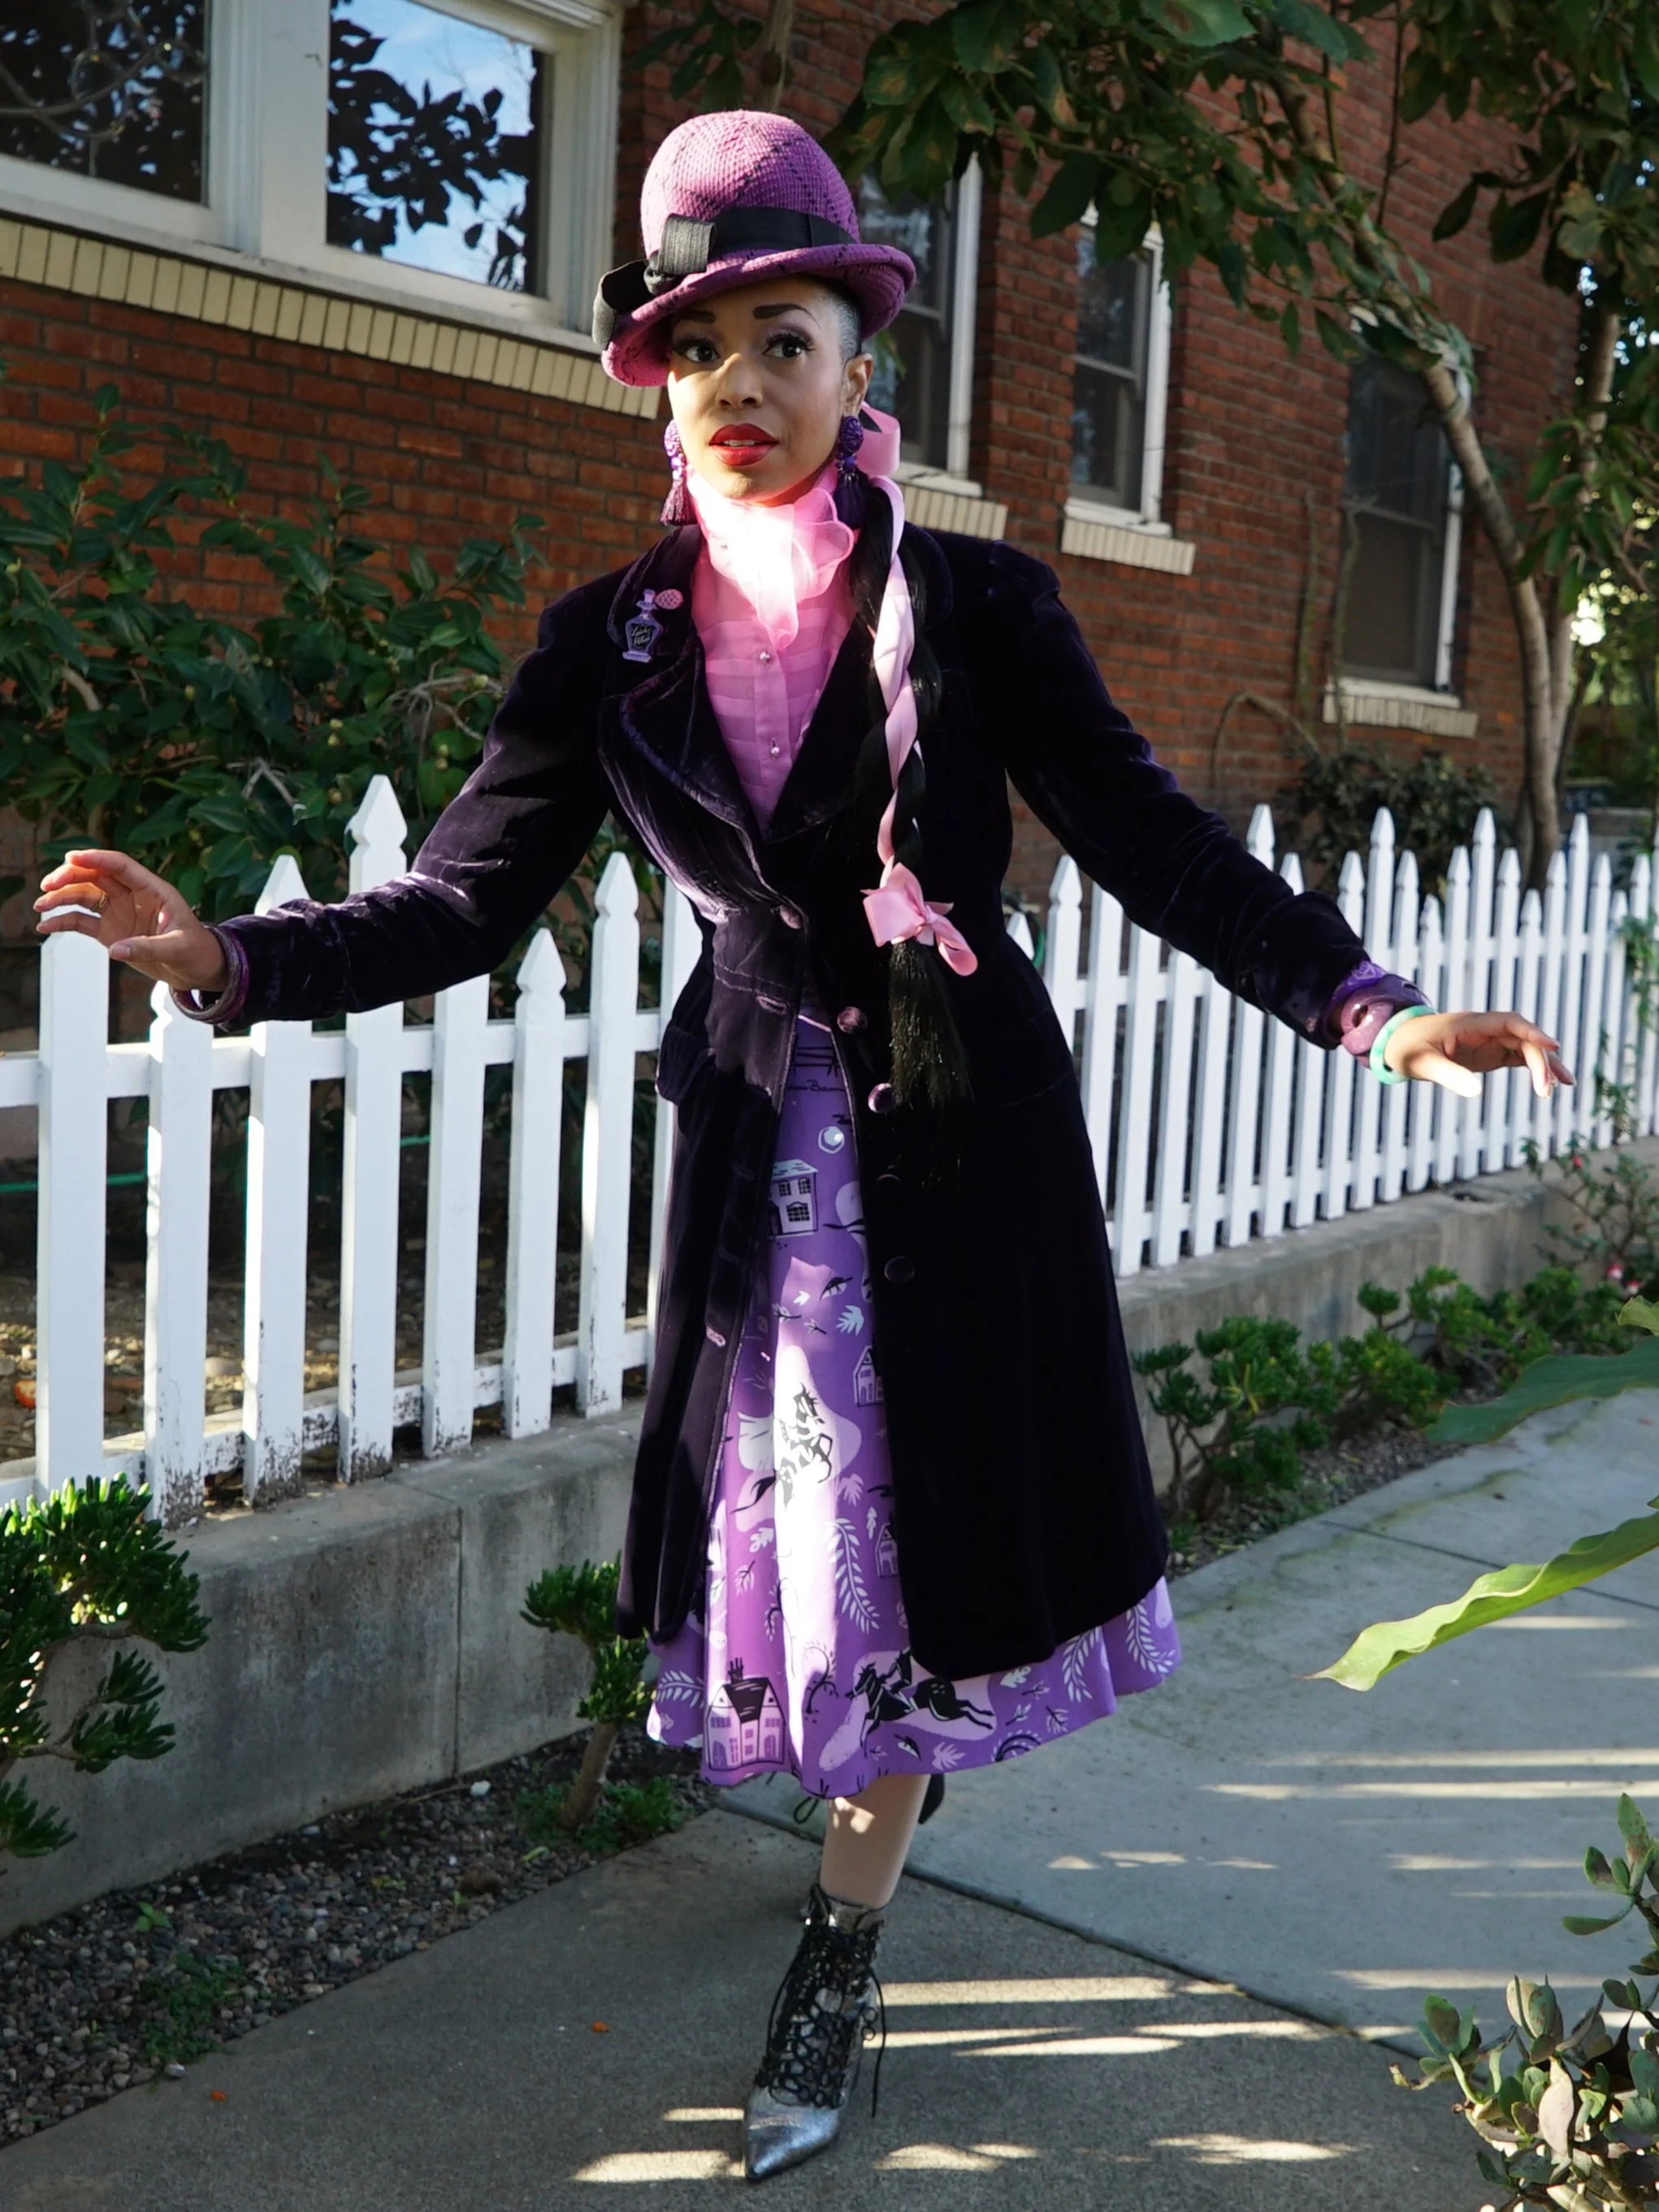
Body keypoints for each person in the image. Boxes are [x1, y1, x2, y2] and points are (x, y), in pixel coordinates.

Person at [37, 110, 1570, 2184]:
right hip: (763, 1158)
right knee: (803, 1555)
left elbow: (1152, 839)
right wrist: (230, 953)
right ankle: (856, 1854)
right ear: (655, 382)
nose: (738, 384)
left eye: (783, 340)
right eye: (698, 347)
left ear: (861, 367)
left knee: (910, 1563)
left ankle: (839, 1942)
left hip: (962, 1143)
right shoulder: (610, 642)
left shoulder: (978, 605)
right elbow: (463, 898)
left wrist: (1369, 1009)